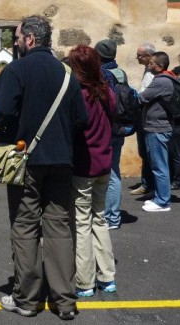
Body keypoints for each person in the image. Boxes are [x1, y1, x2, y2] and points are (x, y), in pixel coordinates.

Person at [0, 15, 87, 321]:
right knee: (60, 228)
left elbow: (0, 113)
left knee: (25, 226)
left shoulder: (16, 70)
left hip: (26, 161)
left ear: (30, 39)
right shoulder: (68, 74)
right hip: (62, 161)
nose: (16, 43)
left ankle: (27, 299)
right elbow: (81, 120)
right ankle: (65, 301)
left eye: (18, 38)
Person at [67, 45, 117, 298]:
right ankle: (107, 276)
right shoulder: (107, 92)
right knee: (100, 218)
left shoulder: (79, 94)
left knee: (81, 222)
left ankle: (84, 280)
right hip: (105, 163)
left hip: (83, 166)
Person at [137, 51, 178, 212]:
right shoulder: (169, 78)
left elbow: (142, 97)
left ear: (160, 66)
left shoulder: (161, 81)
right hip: (160, 126)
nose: (149, 65)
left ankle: (162, 201)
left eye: (152, 63)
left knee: (159, 166)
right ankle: (161, 196)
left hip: (157, 128)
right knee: (159, 164)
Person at [94, 39, 127, 230]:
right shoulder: (121, 73)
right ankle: (113, 215)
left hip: (105, 128)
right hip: (120, 128)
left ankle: (109, 217)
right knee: (114, 170)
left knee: (107, 173)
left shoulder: (101, 74)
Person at [131, 42, 156, 197]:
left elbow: (147, 94)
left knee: (148, 152)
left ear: (148, 56)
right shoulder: (148, 70)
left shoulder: (153, 72)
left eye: (139, 55)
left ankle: (149, 185)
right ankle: (146, 183)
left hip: (148, 116)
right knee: (144, 151)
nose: (137, 58)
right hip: (144, 115)